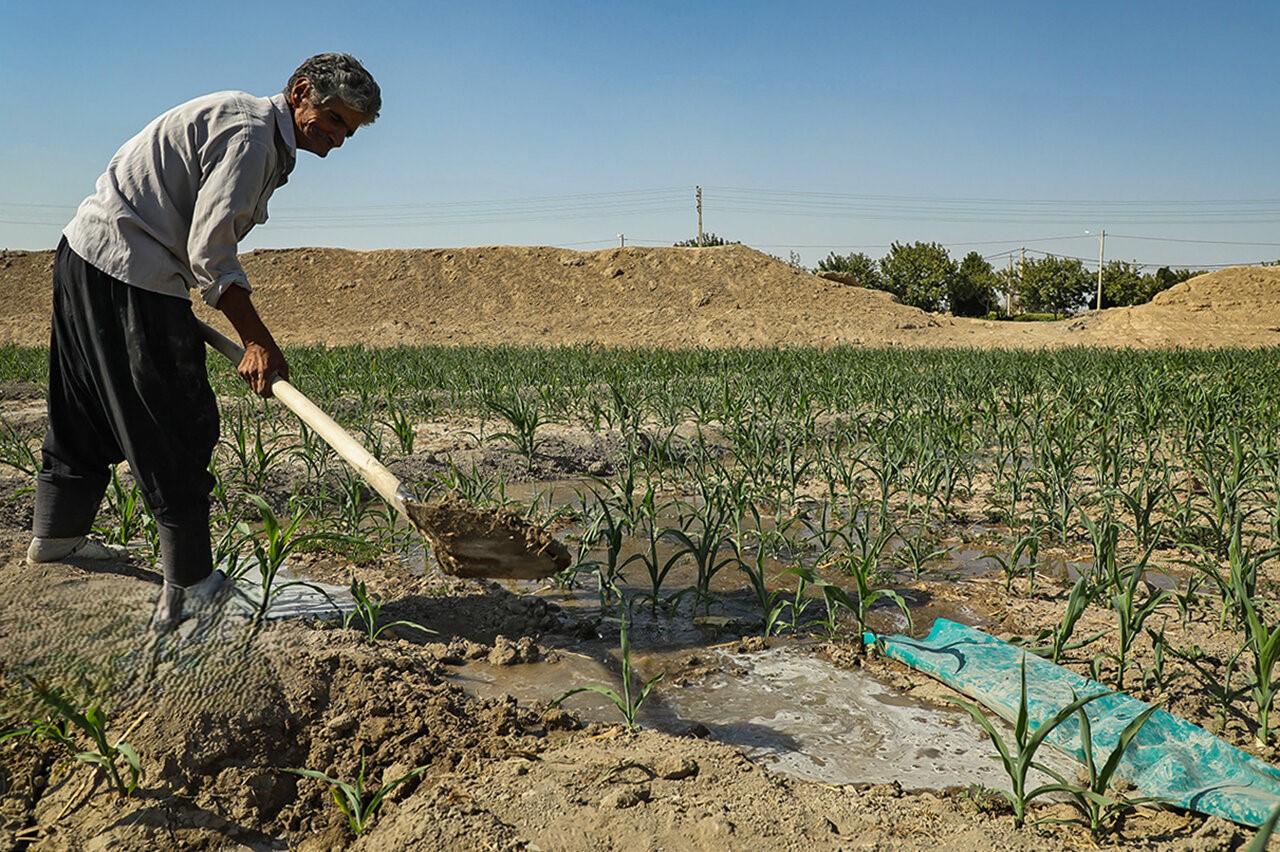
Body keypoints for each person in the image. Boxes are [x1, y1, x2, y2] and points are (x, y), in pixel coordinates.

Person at [26, 53, 381, 632]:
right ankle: (193, 586)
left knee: (86, 407)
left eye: (350, 131)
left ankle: (57, 536)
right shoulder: (250, 136)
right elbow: (211, 252)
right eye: (336, 120)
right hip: (131, 266)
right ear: (300, 92)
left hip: (88, 255)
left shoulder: (252, 129)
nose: (339, 138)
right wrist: (256, 340)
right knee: (178, 422)